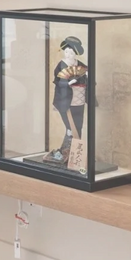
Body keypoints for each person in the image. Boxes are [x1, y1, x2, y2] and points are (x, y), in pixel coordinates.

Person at [47, 36, 89, 167]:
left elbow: (88, 80)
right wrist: (68, 82)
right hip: (65, 101)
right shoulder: (61, 65)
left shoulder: (81, 65)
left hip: (79, 100)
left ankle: (74, 156)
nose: (68, 54)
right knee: (70, 128)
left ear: (76, 53)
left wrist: (87, 77)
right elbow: (57, 81)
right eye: (66, 52)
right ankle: (66, 153)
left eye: (71, 52)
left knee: (79, 127)